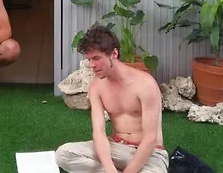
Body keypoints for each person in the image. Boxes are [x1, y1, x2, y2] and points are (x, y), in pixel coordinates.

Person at [55, 26, 169, 173]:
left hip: (150, 154)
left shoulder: (145, 84)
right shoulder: (96, 87)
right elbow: (99, 132)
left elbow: (150, 138)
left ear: (114, 53)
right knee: (63, 154)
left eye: (96, 58)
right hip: (115, 147)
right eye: (89, 59)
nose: (92, 65)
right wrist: (109, 169)